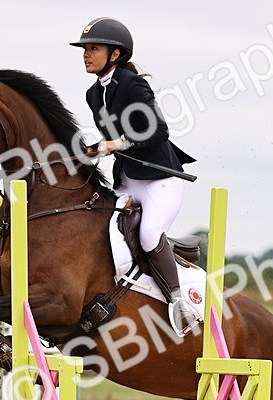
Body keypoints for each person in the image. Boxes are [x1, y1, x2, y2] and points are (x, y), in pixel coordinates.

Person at [70, 17, 197, 336]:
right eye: (85, 49)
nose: (86, 54)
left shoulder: (133, 85)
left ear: (115, 54)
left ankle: (179, 303)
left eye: (93, 49)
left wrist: (115, 143)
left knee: (150, 234)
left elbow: (157, 130)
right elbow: (114, 139)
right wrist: (95, 150)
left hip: (158, 180)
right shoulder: (93, 94)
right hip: (126, 179)